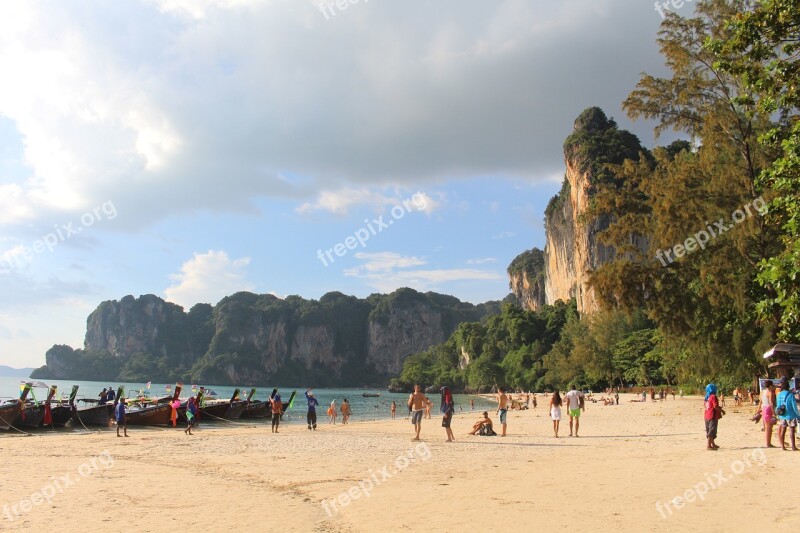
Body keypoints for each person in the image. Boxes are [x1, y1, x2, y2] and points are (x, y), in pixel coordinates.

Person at [776, 379, 799, 451]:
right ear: (788, 387)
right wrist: (798, 415)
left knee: (783, 430)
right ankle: (793, 447)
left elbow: (778, 405)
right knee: (792, 431)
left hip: (782, 415)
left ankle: (782, 446)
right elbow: (794, 406)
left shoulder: (779, 395)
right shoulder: (791, 395)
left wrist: (778, 415)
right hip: (791, 415)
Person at [704, 383, 724, 450]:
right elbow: (715, 406)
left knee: (709, 430)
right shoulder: (713, 396)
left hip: (706, 416)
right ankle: (709, 445)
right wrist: (721, 410)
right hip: (712, 416)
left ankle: (713, 444)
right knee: (712, 431)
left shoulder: (707, 397)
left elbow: (707, 406)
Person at [761, 380, 776, 447]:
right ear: (770, 386)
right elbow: (771, 403)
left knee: (767, 426)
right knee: (769, 427)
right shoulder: (770, 393)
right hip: (768, 409)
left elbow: (760, 402)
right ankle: (768, 443)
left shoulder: (762, 392)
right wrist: (773, 413)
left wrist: (759, 410)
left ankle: (768, 442)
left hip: (764, 408)